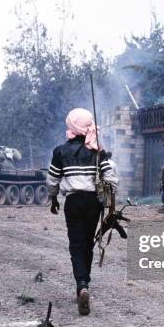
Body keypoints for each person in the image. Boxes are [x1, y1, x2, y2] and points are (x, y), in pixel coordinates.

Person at [46, 108, 118, 316]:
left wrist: (53, 199)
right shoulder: (97, 151)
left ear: (71, 126)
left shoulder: (60, 151)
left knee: (76, 245)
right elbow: (111, 180)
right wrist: (109, 200)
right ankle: (85, 281)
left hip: (73, 202)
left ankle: (81, 285)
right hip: (93, 202)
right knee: (88, 243)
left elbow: (52, 180)